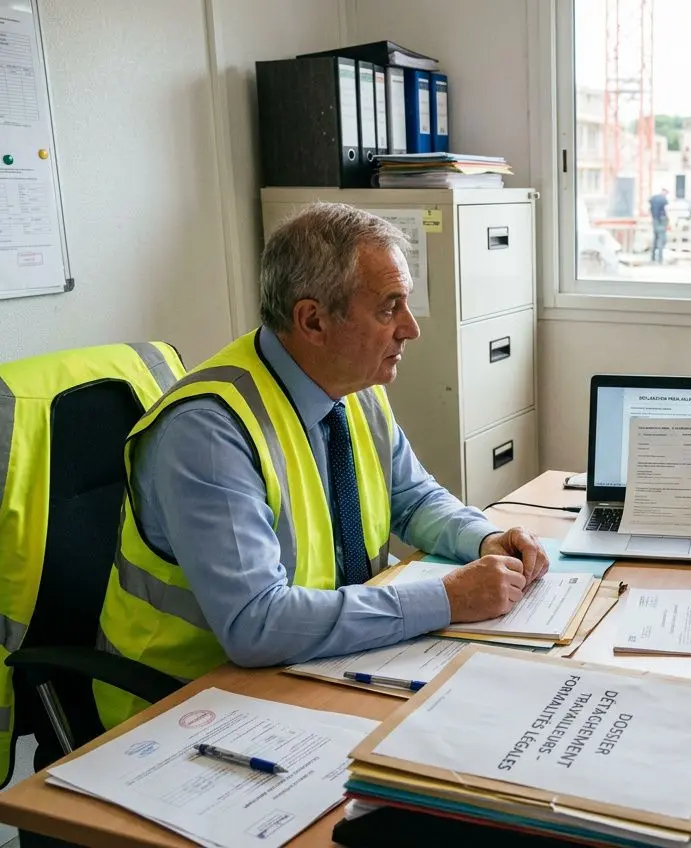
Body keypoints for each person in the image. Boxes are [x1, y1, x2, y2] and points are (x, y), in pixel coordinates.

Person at [94, 203, 549, 727]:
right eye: (389, 308)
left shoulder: (351, 387)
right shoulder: (208, 433)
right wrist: (448, 598)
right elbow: (255, 624)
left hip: (316, 665)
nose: (410, 329)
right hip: (187, 705)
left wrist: (483, 538)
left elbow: (412, 496)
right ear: (312, 320)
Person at [649, 187, 670, 263]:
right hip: (662, 221)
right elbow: (667, 211)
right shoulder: (664, 200)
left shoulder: (653, 198)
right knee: (661, 240)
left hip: (655, 221)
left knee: (655, 239)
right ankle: (660, 259)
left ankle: (653, 257)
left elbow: (649, 208)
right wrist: (668, 221)